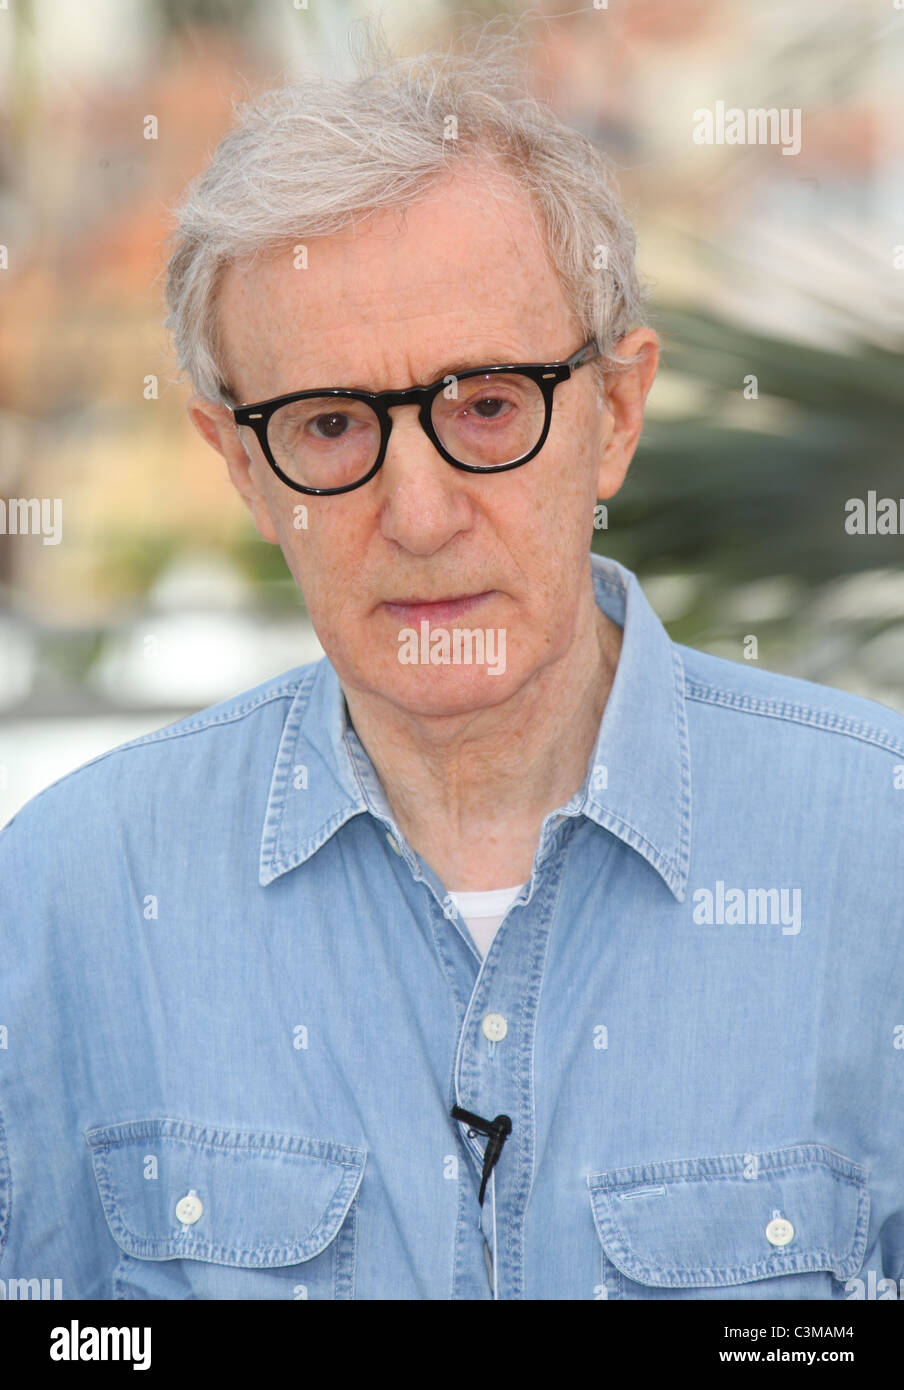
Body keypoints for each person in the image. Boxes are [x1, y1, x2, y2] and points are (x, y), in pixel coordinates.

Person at [1, 20, 901, 1302]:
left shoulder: (879, 853)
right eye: (327, 423)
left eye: (487, 404)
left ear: (617, 415)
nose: (417, 514)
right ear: (245, 470)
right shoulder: (60, 901)